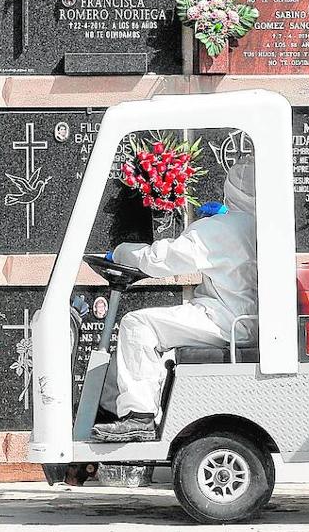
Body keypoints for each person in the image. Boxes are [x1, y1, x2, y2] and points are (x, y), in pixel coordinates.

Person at [92, 160, 258, 442]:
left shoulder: (221, 228)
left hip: (224, 319)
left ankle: (139, 416)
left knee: (137, 324)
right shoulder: (264, 225)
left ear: (231, 190)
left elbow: (159, 260)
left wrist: (119, 253)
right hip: (251, 321)